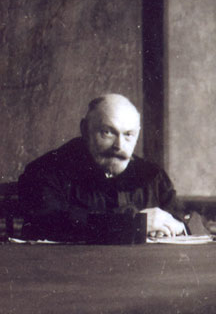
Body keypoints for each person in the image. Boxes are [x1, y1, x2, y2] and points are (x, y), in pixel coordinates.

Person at [18, 94, 186, 241]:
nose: (119, 145)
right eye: (108, 132)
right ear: (85, 129)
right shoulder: (44, 171)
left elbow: (186, 221)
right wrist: (136, 224)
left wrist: (176, 226)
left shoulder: (153, 176)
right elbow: (48, 224)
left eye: (128, 134)